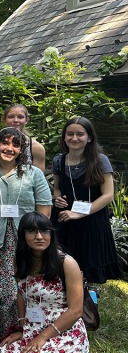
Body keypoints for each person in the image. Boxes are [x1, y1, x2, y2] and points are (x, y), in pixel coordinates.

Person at [0, 212, 89, 353]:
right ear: (23, 235)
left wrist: (43, 337)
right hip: (33, 328)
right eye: (32, 231)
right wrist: (23, 328)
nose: (39, 236)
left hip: (63, 332)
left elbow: (76, 311)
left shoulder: (66, 263)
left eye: (45, 231)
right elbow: (21, 294)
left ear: (51, 234)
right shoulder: (21, 261)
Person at [0, 127, 52, 345]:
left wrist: (37, 242)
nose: (9, 148)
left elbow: (44, 209)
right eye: (5, 143)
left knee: (19, 289)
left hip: (24, 242)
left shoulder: (34, 174)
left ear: (22, 149)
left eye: (16, 145)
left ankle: (21, 333)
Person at [52, 116, 123, 283]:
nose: (74, 138)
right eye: (69, 134)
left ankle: (90, 304)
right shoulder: (59, 160)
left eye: (80, 134)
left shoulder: (99, 160)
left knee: (90, 269)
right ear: (64, 137)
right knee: (64, 266)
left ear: (89, 137)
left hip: (92, 220)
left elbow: (108, 195)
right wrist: (57, 198)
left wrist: (79, 213)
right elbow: (57, 188)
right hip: (65, 220)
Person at [2, 104, 46, 172]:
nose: (16, 120)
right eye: (11, 117)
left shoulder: (36, 148)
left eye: (20, 117)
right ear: (4, 120)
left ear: (26, 120)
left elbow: (39, 179)